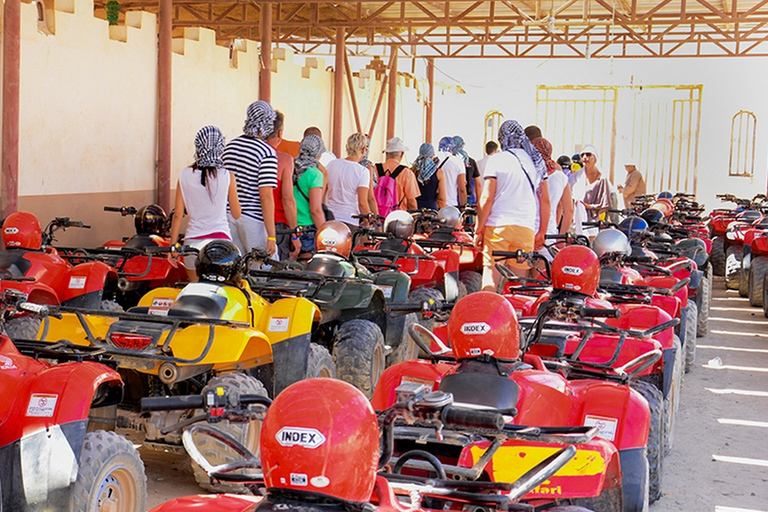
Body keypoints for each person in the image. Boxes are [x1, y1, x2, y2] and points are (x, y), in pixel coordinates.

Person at [475, 120, 550, 290]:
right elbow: (545, 201)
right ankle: (515, 314)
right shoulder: (536, 162)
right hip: (525, 228)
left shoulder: (497, 160)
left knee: (490, 282)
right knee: (517, 285)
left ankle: (486, 314)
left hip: (497, 228)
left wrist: (479, 229)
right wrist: (542, 232)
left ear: (502, 139)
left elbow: (487, 197)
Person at [170, 125, 241, 281]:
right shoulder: (227, 176)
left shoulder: (184, 174)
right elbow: (236, 214)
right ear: (220, 147)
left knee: (195, 292)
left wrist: (173, 247)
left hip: (192, 245)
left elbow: (178, 215)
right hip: (221, 247)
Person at [223, 100, 279, 257]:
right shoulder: (266, 152)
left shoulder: (230, 147)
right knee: (262, 270)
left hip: (229, 217)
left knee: (236, 266)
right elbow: (266, 196)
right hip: (253, 220)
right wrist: (271, 236)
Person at [266, 112, 301, 261]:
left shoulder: (247, 155)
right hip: (277, 224)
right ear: (280, 132)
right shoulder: (284, 159)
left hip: (249, 221)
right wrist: (294, 234)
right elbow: (288, 200)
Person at [531, 137, 573, 258]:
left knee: (521, 274)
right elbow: (568, 211)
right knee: (542, 275)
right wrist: (561, 238)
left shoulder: (528, 173)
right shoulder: (561, 178)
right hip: (548, 235)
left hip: (526, 231)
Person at [325, 133, 371, 229]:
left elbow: (324, 190)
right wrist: (368, 220)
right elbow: (362, 202)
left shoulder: (331, 164)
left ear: (347, 147)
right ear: (363, 150)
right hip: (349, 219)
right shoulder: (362, 171)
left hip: (330, 217)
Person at [293, 134, 327, 260]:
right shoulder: (314, 174)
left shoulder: (291, 167)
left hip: (290, 226)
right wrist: (325, 233)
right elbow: (315, 210)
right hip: (307, 229)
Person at [375, 137, 420, 214]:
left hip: (377, 215)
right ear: (402, 154)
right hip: (398, 216)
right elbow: (411, 200)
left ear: (386, 154)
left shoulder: (374, 169)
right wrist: (414, 217)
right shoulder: (407, 173)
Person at [579, 144, 613, 240]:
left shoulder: (602, 179)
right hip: (575, 222)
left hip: (591, 223)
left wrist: (590, 207)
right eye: (582, 155)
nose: (585, 158)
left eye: (589, 154)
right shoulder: (576, 177)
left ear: (595, 158)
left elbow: (606, 205)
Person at [412, 142, 447, 211]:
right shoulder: (439, 173)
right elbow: (442, 199)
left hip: (416, 209)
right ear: (433, 155)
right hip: (432, 209)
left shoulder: (412, 171)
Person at [436, 136, 467, 208]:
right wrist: (463, 207)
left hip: (435, 204)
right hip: (451, 204)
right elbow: (461, 188)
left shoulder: (433, 159)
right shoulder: (458, 161)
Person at [453, 135, 481, 205]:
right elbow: (478, 184)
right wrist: (478, 203)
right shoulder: (471, 161)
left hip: (454, 197)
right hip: (468, 197)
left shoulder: (452, 161)